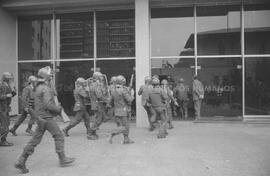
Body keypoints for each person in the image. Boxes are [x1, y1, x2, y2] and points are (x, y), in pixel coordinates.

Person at [15, 66, 75, 174]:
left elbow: (33, 104)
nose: (52, 77)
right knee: (59, 136)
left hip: (40, 118)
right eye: (51, 76)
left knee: (35, 140)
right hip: (47, 117)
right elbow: (48, 105)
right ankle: (62, 159)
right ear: (47, 77)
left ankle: (21, 160)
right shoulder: (46, 88)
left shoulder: (36, 88)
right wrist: (58, 109)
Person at [108, 75, 134, 144]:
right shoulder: (123, 90)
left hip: (116, 111)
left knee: (123, 126)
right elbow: (129, 100)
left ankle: (126, 139)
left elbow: (110, 102)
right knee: (125, 127)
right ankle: (111, 133)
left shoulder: (113, 90)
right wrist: (132, 95)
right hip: (124, 111)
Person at [87, 71, 108, 140]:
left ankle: (93, 132)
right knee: (99, 119)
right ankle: (91, 133)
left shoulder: (92, 84)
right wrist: (107, 100)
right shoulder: (96, 85)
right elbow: (99, 95)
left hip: (96, 103)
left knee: (99, 118)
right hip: (97, 104)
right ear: (97, 77)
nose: (102, 78)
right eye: (100, 76)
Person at [0, 72, 16, 146]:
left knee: (7, 124)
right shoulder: (1, 85)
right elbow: (1, 96)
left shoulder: (8, 85)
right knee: (5, 125)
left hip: (6, 107)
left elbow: (12, 94)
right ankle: (3, 141)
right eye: (9, 78)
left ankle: (3, 139)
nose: (10, 79)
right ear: (5, 78)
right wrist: (6, 95)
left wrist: (13, 90)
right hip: (2, 108)